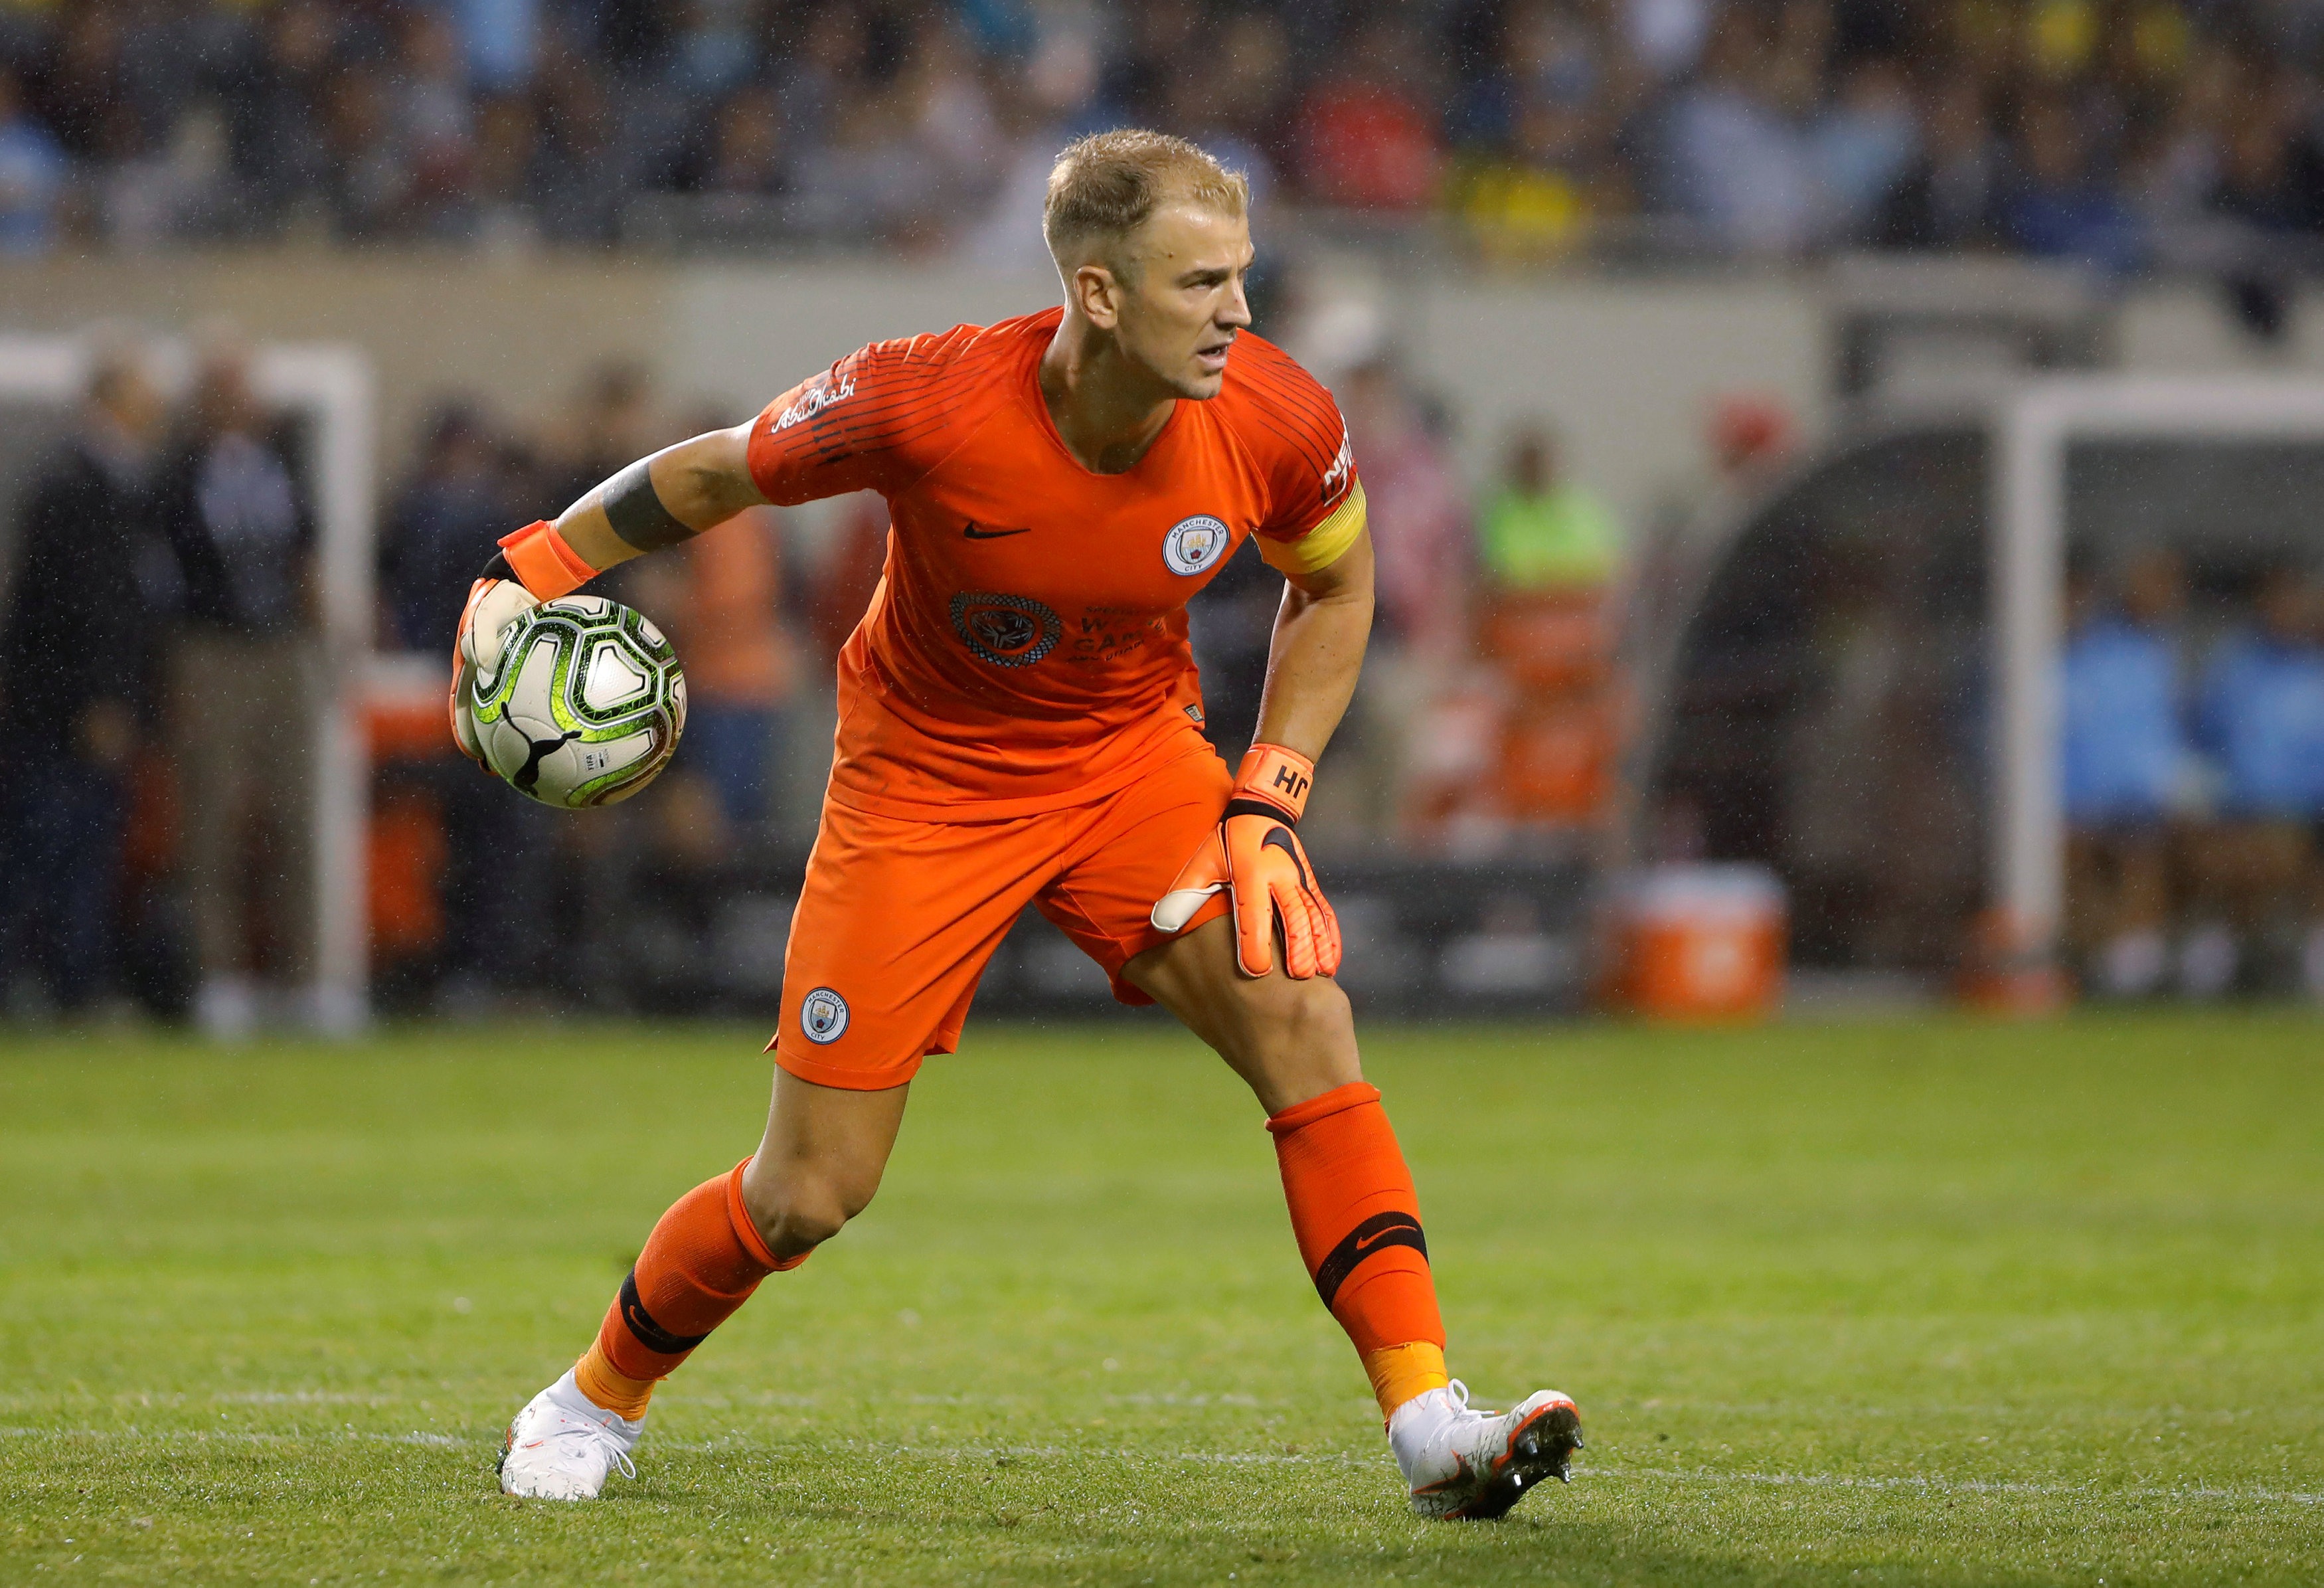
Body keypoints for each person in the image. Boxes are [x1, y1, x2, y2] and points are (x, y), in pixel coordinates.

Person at [463, 130, 1580, 1517]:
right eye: (1200, 284)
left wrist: (1269, 789)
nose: (1237, 312)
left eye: (1240, 278)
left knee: (1303, 1018)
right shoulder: (924, 397)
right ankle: (588, 1398)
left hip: (1129, 762)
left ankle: (1429, 1419)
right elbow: (716, 473)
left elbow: (1338, 591)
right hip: (921, 783)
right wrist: (528, 569)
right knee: (809, 1191)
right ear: (1099, 295)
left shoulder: (1276, 414)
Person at [153, 335, 322, 1038]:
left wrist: (325, 638)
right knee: (212, 820)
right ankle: (218, 978)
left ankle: (306, 981)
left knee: (296, 817)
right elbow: (161, 574)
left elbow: (305, 553)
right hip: (211, 648)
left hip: (279, 649)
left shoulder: (282, 460)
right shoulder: (176, 471)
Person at [0, 339, 163, 1012]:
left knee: (87, 850)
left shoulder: (122, 484)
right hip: (64, 709)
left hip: (92, 701)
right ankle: (40, 985)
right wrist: (96, 698)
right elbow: (74, 605)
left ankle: (71, 983)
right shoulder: (72, 486)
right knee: (51, 847)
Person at [2186, 563, 2324, 996]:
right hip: (2242, 813)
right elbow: (2202, 741)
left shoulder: (2316, 672)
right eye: (2276, 601)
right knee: (2222, 858)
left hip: (2311, 817)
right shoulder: (2235, 670)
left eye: (2293, 600)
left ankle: (2308, 962)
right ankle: (2220, 965)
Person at [2059, 550, 2193, 998]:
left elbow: (2156, 741)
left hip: (2133, 804)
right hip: (2069, 806)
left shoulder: (2144, 654)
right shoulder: (2060, 659)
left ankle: (2133, 970)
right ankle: (2088, 962)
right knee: (2073, 855)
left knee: (2148, 853)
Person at [1477, 424, 1621, 594]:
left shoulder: (1581, 507)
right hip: (1519, 612)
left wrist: (1547, 574)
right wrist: (1562, 573)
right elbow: (1507, 569)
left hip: (1578, 611)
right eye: (1529, 464)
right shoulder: (1500, 512)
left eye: (1541, 462)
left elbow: (1605, 563)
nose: (1536, 470)